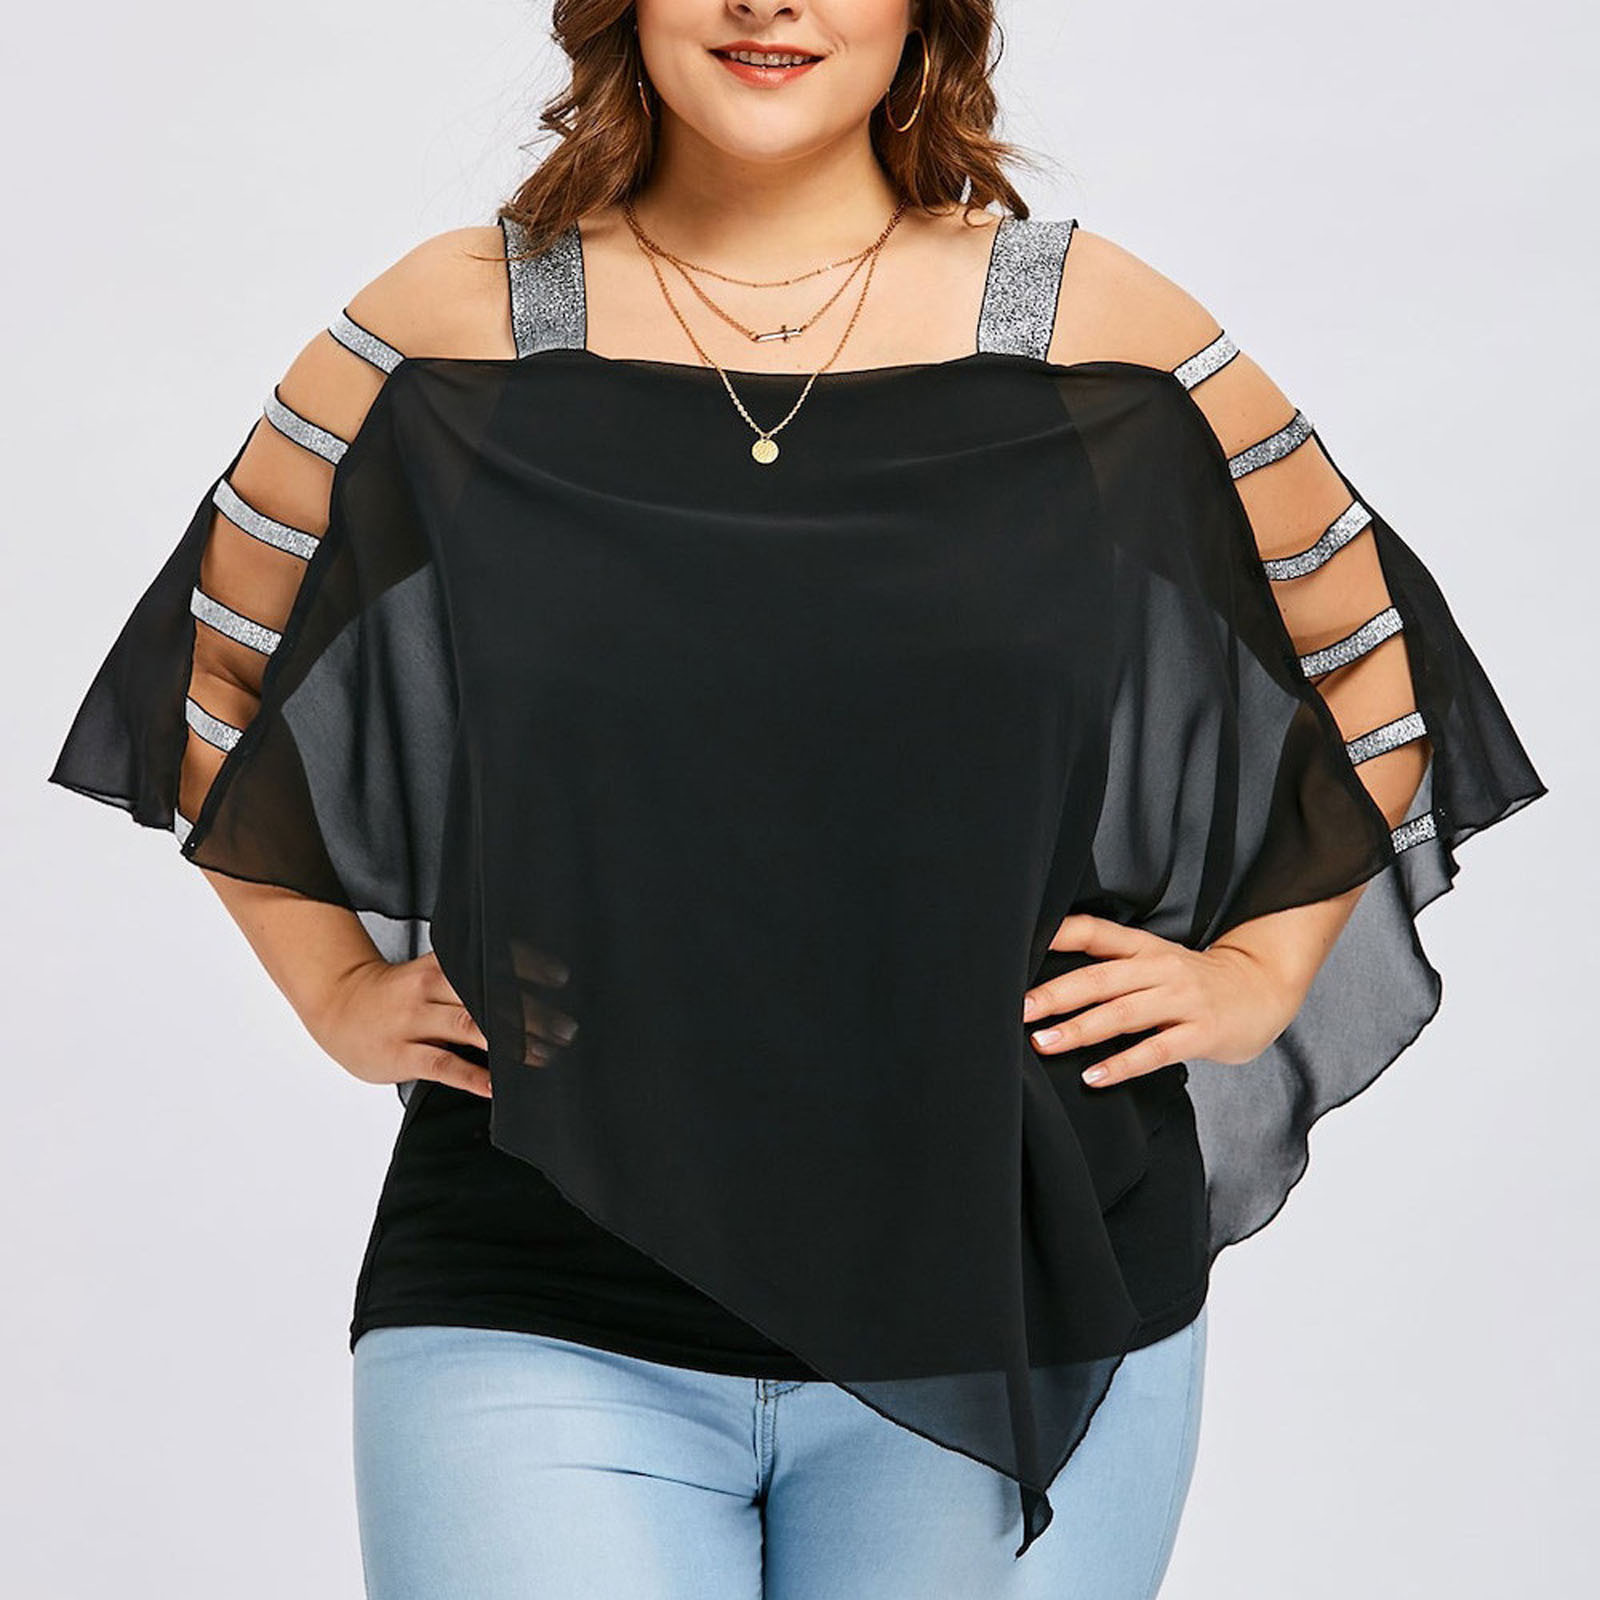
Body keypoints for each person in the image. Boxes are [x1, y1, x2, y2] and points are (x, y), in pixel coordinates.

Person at [46, 2, 1547, 1596]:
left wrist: (1259, 969)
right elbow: (214, 674)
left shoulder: (1092, 327)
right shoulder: (450, 326)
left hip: (1015, 1282)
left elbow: (1368, 665)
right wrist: (335, 988)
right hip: (536, 1282)